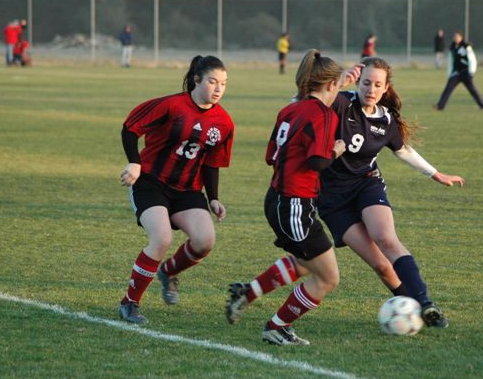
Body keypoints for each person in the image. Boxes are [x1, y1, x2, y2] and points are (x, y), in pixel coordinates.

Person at [316, 56, 465, 329]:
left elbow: (403, 150)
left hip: (366, 184)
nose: (371, 89)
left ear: (386, 88)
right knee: (382, 266)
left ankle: (425, 303)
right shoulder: (341, 102)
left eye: (377, 85)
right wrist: (339, 81)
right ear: (357, 82)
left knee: (386, 238)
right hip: (333, 199)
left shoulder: (385, 120)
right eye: (366, 83)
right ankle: (410, 306)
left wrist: (435, 174)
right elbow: (307, 102)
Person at [226, 49, 359, 346]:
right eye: (339, 85)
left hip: (276, 198)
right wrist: (336, 150)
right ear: (331, 85)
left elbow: (270, 156)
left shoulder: (290, 109)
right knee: (327, 278)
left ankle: (247, 293)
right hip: (295, 204)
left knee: (305, 262)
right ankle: (277, 327)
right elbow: (318, 162)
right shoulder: (322, 114)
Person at [118, 55, 234, 324]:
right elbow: (130, 128)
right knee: (162, 239)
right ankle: (129, 303)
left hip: (187, 190)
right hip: (151, 182)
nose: (218, 89)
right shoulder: (171, 105)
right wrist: (134, 162)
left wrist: (214, 198)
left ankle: (168, 272)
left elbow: (211, 162)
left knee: (205, 240)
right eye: (212, 82)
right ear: (197, 80)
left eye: (224, 83)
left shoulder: (224, 123)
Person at [434, 31, 483, 110]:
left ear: (461, 38)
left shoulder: (466, 46)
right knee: (448, 88)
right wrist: (449, 74)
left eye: (457, 37)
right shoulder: (452, 47)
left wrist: (471, 72)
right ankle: (440, 105)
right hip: (456, 73)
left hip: (466, 72)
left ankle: (482, 105)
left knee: (472, 90)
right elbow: (450, 61)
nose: (455, 38)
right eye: (454, 37)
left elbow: (472, 59)